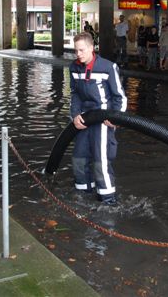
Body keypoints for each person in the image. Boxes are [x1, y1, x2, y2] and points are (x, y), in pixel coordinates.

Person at [70, 32, 127, 206]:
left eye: (81, 50)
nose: (78, 54)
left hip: (103, 120)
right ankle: (84, 195)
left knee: (100, 161)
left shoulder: (108, 67)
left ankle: (108, 200)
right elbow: (75, 95)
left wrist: (116, 117)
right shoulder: (74, 67)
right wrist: (75, 115)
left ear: (91, 48)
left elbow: (120, 97)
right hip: (83, 120)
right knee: (79, 159)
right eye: (76, 51)